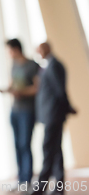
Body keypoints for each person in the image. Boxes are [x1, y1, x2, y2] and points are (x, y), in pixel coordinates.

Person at [30, 42, 76, 195]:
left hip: (54, 114)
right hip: (50, 114)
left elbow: (59, 90)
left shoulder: (54, 65)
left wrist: (67, 106)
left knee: (48, 148)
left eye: (41, 49)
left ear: (48, 48)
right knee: (56, 150)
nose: (39, 52)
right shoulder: (47, 66)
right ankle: (58, 187)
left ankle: (41, 187)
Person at [1, 38, 40, 187]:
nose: (8, 54)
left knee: (25, 144)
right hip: (15, 110)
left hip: (27, 111)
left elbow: (37, 88)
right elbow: (12, 84)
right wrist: (7, 90)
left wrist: (22, 92)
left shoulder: (32, 65)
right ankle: (21, 179)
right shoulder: (13, 65)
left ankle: (28, 179)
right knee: (17, 145)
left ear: (16, 49)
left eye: (9, 50)